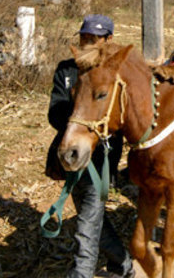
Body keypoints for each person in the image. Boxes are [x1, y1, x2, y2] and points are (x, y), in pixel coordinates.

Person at [46, 14, 135, 278]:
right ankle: (123, 264)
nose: (87, 42)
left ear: (108, 40)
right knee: (93, 217)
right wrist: (78, 112)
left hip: (103, 154)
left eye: (93, 38)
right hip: (73, 149)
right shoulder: (66, 69)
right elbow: (54, 112)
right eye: (84, 37)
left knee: (87, 218)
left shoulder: (113, 72)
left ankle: (81, 272)